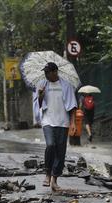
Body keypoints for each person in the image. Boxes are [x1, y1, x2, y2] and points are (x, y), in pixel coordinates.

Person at [33, 62, 77, 191]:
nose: (46, 75)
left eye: (48, 72)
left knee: (60, 152)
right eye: (45, 72)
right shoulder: (42, 85)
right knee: (50, 145)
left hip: (63, 122)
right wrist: (40, 95)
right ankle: (47, 173)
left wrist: (73, 122)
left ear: (55, 72)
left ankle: (54, 179)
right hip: (48, 121)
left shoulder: (66, 85)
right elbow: (39, 104)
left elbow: (73, 106)